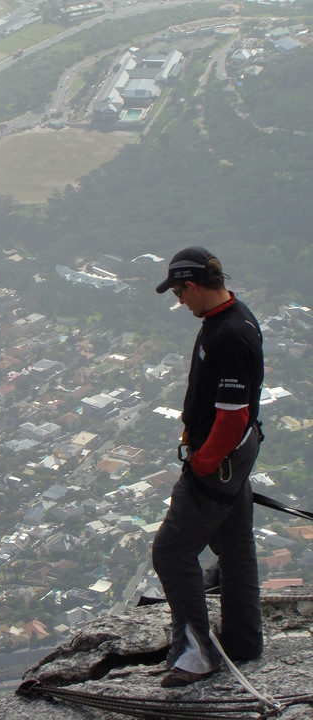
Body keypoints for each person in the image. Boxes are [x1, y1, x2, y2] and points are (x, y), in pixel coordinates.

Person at [152, 246, 264, 688]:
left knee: (171, 551)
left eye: (180, 294)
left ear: (194, 286)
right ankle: (243, 640)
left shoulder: (229, 335)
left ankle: (196, 655)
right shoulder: (227, 318)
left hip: (219, 460)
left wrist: (201, 464)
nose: (180, 302)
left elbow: (233, 414)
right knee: (234, 546)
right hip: (235, 455)